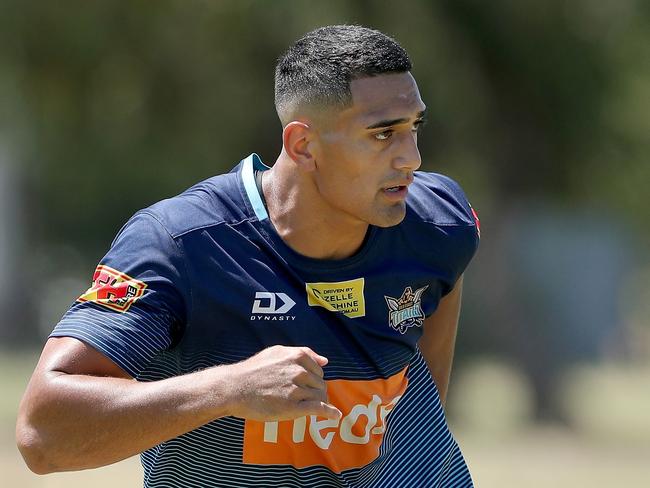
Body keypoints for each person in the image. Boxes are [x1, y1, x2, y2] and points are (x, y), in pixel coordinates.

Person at [16, 25, 480, 487]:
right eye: (383, 134)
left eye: (414, 126)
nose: (412, 158)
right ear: (303, 145)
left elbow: (425, 393)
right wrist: (228, 389)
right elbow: (43, 434)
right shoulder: (182, 244)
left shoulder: (439, 223)